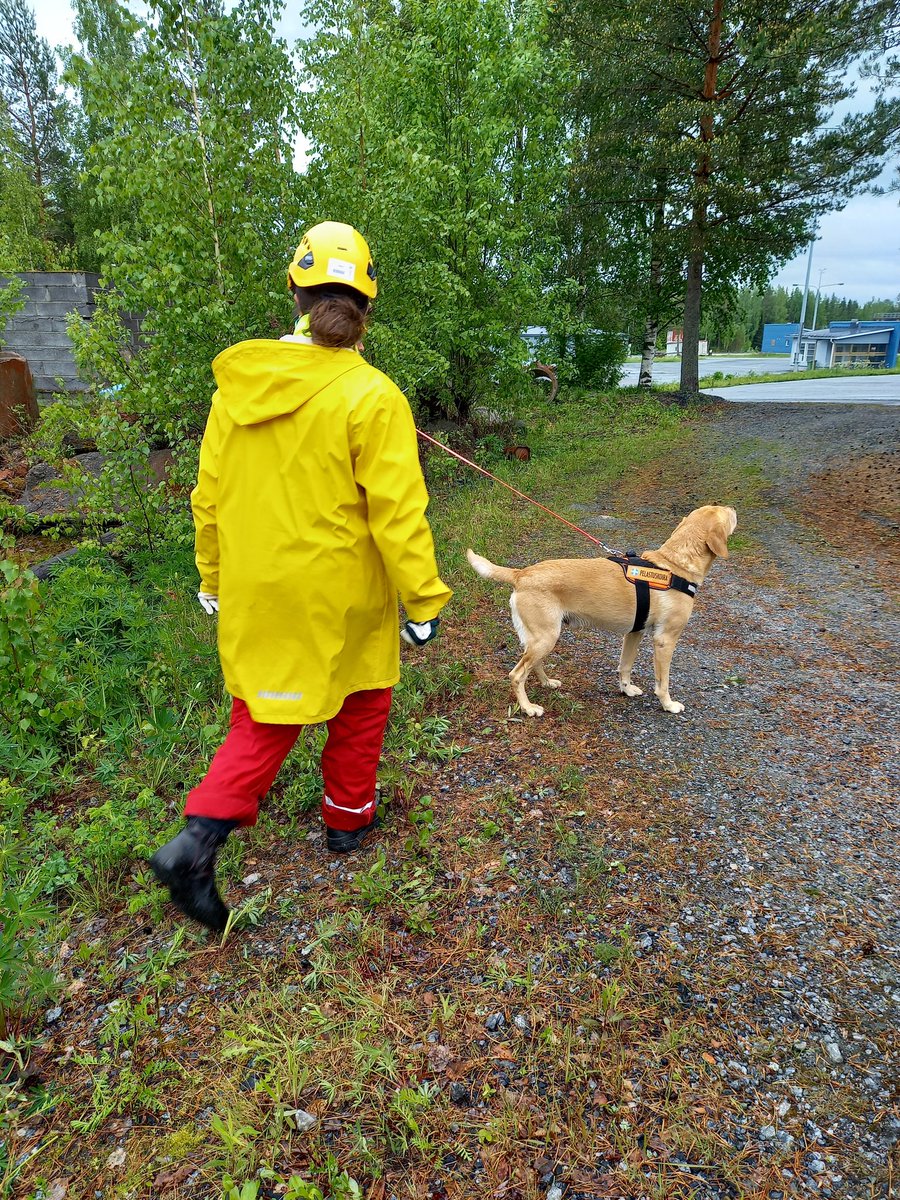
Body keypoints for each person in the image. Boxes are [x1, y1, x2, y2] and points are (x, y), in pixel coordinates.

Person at [149, 221, 452, 932]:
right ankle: (334, 825)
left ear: (294, 290)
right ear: (365, 307)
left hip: (258, 589)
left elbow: (209, 493)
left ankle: (209, 837)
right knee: (362, 701)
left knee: (263, 711)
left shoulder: (239, 390)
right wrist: (424, 597)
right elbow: (398, 513)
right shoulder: (373, 395)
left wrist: (212, 573)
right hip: (343, 594)